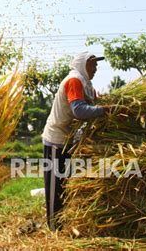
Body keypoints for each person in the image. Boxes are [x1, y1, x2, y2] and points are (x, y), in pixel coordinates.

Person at [41, 52, 110, 231]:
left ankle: (63, 223)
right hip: (56, 139)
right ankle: (54, 228)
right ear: (82, 64)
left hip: (69, 140)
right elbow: (79, 110)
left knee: (66, 184)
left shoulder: (86, 84)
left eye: (96, 65)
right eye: (92, 64)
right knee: (55, 186)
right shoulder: (74, 80)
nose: (95, 68)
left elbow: (91, 104)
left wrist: (102, 104)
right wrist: (103, 110)